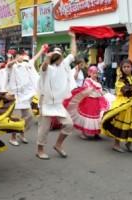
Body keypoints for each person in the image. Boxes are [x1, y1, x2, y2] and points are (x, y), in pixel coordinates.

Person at [36, 32, 77, 160]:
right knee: (45, 128)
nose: (59, 56)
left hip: (58, 103)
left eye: (60, 54)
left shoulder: (64, 64)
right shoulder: (47, 68)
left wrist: (73, 37)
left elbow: (73, 53)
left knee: (69, 124)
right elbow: (43, 67)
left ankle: (58, 145)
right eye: (56, 54)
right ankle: (40, 150)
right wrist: (47, 57)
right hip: (46, 101)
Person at [64, 66, 110, 140]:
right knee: (86, 117)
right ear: (89, 73)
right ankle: (83, 132)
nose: (95, 75)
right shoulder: (87, 80)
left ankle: (96, 133)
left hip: (96, 101)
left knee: (97, 117)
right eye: (93, 73)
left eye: (96, 73)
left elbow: (99, 91)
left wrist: (101, 92)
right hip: (89, 101)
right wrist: (96, 90)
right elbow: (87, 90)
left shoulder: (98, 82)